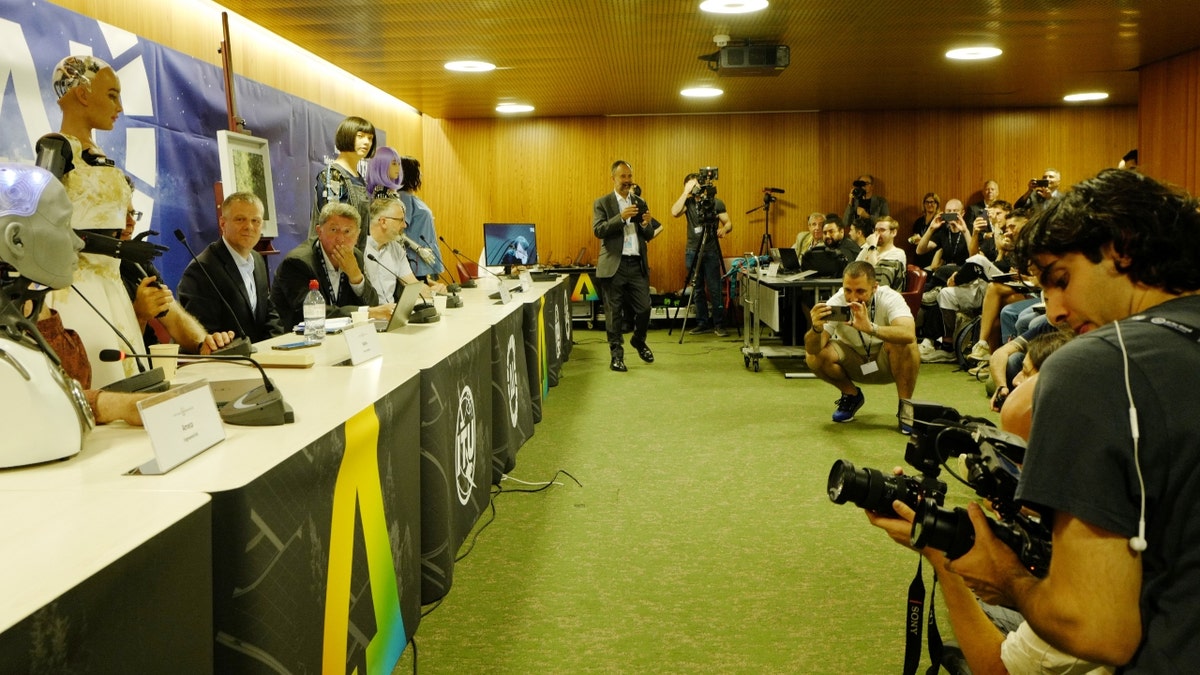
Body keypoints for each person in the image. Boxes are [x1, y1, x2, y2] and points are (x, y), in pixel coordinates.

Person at [943, 168, 1200, 670]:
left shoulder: (1096, 365)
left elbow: (1099, 629)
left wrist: (1009, 579)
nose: (1055, 311)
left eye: (1061, 279)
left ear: (1122, 246)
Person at [44, 55, 232, 388]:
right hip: (77, 287)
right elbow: (42, 217)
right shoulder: (56, 149)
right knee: (97, 377)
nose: (119, 105)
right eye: (112, 94)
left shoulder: (99, 156)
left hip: (111, 284)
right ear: (83, 94)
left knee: (126, 375)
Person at [0, 163, 144, 429]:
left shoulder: (29, 310)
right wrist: (114, 405)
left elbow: (70, 379)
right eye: (64, 225)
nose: (78, 242)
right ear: (16, 240)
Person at [804, 261, 920, 432]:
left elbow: (909, 334)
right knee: (813, 356)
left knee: (903, 343)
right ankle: (851, 395)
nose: (852, 298)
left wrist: (871, 328)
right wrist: (815, 328)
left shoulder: (891, 298)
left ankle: (905, 407)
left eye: (860, 291)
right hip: (855, 362)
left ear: (874, 287)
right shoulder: (837, 302)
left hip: (887, 362)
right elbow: (813, 349)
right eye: (847, 290)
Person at [178, 192, 285, 342]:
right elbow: (204, 335)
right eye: (240, 219)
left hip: (260, 359)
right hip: (227, 361)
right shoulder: (201, 270)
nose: (249, 226)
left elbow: (269, 315)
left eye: (256, 221)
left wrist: (277, 349)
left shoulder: (258, 260)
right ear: (223, 224)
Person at [271, 202, 388, 330]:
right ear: (319, 232)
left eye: (347, 231)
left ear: (357, 236)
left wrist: (356, 277)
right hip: (298, 339)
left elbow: (372, 304)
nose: (340, 239)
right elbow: (310, 313)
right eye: (334, 230)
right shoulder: (297, 262)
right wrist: (365, 313)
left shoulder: (355, 257)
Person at [592, 160, 661, 372]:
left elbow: (648, 235)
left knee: (645, 309)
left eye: (629, 177)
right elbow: (599, 230)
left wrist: (646, 224)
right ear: (613, 178)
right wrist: (620, 218)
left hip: (637, 264)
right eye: (623, 177)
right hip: (615, 264)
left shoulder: (640, 202)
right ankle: (616, 356)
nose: (627, 181)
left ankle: (638, 340)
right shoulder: (602, 203)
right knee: (614, 314)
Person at [671, 172, 732, 337]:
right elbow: (674, 212)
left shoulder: (715, 203)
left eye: (697, 184)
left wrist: (724, 229)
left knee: (714, 288)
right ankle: (702, 322)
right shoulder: (688, 203)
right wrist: (685, 192)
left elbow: (728, 223)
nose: (696, 188)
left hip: (711, 250)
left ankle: (719, 324)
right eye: (692, 185)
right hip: (692, 251)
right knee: (697, 289)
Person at [311, 115, 376, 248]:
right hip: (335, 257)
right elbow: (332, 226)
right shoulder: (333, 175)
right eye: (360, 136)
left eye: (370, 138)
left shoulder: (359, 179)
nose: (367, 142)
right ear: (347, 135)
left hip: (355, 255)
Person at [363, 196, 440, 302]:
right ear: (383, 222)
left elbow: (413, 285)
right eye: (401, 220)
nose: (404, 225)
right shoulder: (360, 248)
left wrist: (434, 291)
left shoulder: (397, 249)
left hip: (391, 313)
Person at [396, 156, 446, 287]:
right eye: (418, 170)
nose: (421, 174)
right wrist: (417, 248)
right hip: (415, 257)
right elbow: (398, 232)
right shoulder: (404, 197)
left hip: (425, 256)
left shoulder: (413, 197)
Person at [915, 198, 970, 270]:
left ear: (962, 213)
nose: (951, 213)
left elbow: (975, 256)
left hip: (964, 271)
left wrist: (965, 232)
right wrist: (931, 229)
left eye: (955, 211)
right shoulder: (943, 230)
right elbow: (920, 251)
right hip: (946, 272)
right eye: (948, 211)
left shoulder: (969, 229)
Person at [855, 216, 906, 290]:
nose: (877, 234)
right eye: (876, 230)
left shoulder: (897, 253)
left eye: (882, 230)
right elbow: (854, 269)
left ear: (894, 232)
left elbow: (878, 278)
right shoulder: (868, 248)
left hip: (883, 295)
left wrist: (872, 247)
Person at [908, 192, 940, 268]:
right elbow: (915, 237)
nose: (929, 205)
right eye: (927, 202)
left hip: (932, 258)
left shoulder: (939, 222)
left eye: (932, 202)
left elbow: (938, 242)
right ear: (924, 204)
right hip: (918, 257)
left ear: (937, 204)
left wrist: (921, 240)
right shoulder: (918, 221)